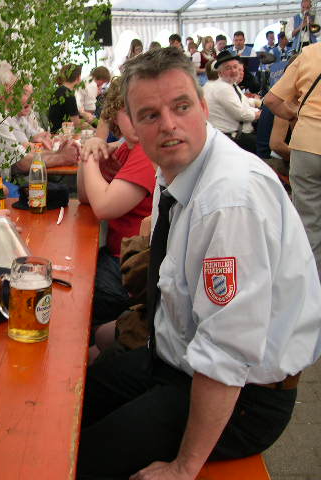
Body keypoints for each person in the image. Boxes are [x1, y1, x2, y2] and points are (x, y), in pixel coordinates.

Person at [78, 45, 321, 480]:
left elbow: (227, 352)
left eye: (181, 106)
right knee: (75, 400)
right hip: (174, 360)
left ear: (204, 108)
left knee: (84, 461)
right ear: (133, 126)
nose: (168, 124)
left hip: (244, 397)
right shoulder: (178, 162)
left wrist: (183, 468)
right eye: (150, 115)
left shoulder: (230, 200)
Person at [77, 76, 156, 339]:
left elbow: (102, 207)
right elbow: (85, 196)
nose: (136, 118)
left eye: (142, 110)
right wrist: (93, 150)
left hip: (130, 267)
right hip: (120, 257)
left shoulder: (145, 152)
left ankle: (89, 351)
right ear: (114, 116)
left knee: (77, 297)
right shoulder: (126, 149)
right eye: (127, 111)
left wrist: (90, 154)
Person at [265, 43, 321, 278]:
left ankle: (311, 288)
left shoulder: (310, 53)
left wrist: (298, 115)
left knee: (308, 225)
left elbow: (271, 100)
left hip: (307, 145)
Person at [0, 62, 79, 176]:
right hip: (0, 184)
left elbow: (22, 154)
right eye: (16, 87)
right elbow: (21, 163)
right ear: (5, 88)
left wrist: (58, 153)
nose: (17, 93)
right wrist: (61, 157)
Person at [203, 50, 260, 153]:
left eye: (235, 67)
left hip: (228, 136)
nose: (234, 71)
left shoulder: (230, 84)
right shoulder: (223, 87)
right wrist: (259, 114)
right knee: (264, 145)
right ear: (220, 73)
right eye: (228, 68)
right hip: (230, 139)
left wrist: (257, 104)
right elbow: (242, 115)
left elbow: (243, 104)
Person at [48, 63, 89, 133]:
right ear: (78, 78)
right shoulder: (69, 95)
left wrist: (82, 114)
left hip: (55, 131)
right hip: (61, 134)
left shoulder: (59, 90)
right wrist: (93, 127)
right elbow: (76, 124)